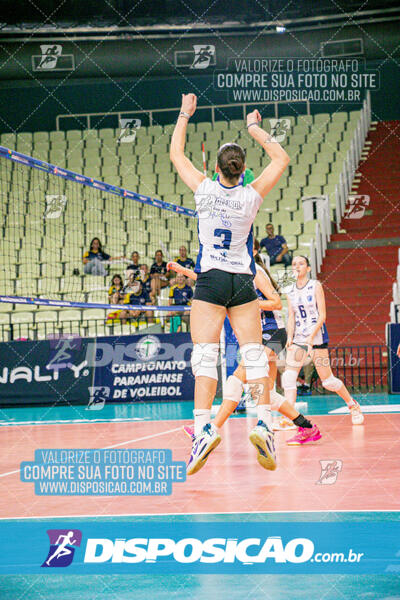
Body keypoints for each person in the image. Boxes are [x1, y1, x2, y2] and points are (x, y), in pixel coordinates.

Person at [170, 93, 290, 475]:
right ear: (241, 171)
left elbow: (176, 154)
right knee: (253, 355)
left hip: (210, 281)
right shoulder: (252, 196)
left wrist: (185, 113)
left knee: (204, 356)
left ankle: (204, 429)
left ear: (219, 169)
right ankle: (264, 426)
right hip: (243, 279)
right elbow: (282, 159)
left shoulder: (204, 189)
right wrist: (255, 127)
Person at [169, 246, 321, 446]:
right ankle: (307, 427)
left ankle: (210, 429)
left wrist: (246, 304)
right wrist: (185, 271)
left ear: (253, 251)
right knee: (268, 391)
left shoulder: (254, 271)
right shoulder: (235, 273)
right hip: (261, 335)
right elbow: (212, 284)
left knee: (237, 380)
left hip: (273, 333)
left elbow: (276, 302)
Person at [282, 255, 364, 443]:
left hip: (316, 336)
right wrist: (289, 337)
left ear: (308, 268)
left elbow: (322, 315)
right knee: (288, 376)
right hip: (299, 338)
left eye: (301, 263)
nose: (297, 266)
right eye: (294, 264)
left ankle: (353, 405)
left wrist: (311, 338)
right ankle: (290, 417)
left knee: (328, 381)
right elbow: (291, 316)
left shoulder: (315, 286)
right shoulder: (290, 290)